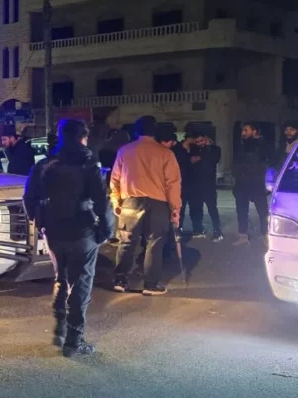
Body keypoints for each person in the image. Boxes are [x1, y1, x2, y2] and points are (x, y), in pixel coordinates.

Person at [24, 119, 112, 358]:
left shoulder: (44, 165)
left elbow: (29, 198)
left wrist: (40, 222)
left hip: (53, 231)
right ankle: (74, 340)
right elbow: (102, 202)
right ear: (83, 138)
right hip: (82, 230)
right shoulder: (88, 165)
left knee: (61, 277)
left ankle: (60, 327)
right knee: (81, 283)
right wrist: (106, 231)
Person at [111, 116, 182, 296]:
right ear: (154, 131)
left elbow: (115, 179)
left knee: (126, 242)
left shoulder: (124, 151)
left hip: (130, 202)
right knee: (155, 244)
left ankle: (120, 280)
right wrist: (175, 208)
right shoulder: (166, 154)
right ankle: (150, 285)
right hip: (158, 203)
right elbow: (173, 183)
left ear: (135, 131)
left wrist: (116, 201)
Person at [232, 122, 272, 246]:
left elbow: (265, 160)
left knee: (263, 212)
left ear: (254, 131)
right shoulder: (241, 145)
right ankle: (243, 236)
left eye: (246, 130)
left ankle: (266, 235)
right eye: (242, 130)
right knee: (241, 211)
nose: (243, 133)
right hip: (241, 184)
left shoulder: (262, 144)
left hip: (256, 184)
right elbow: (236, 161)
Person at [189, 134, 222, 242]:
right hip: (196, 184)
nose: (199, 143)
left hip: (209, 184)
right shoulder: (194, 149)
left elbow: (214, 158)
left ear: (206, 139)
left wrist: (206, 149)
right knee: (196, 208)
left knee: (212, 208)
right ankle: (198, 230)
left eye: (201, 140)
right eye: (197, 141)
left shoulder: (214, 149)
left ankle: (217, 231)